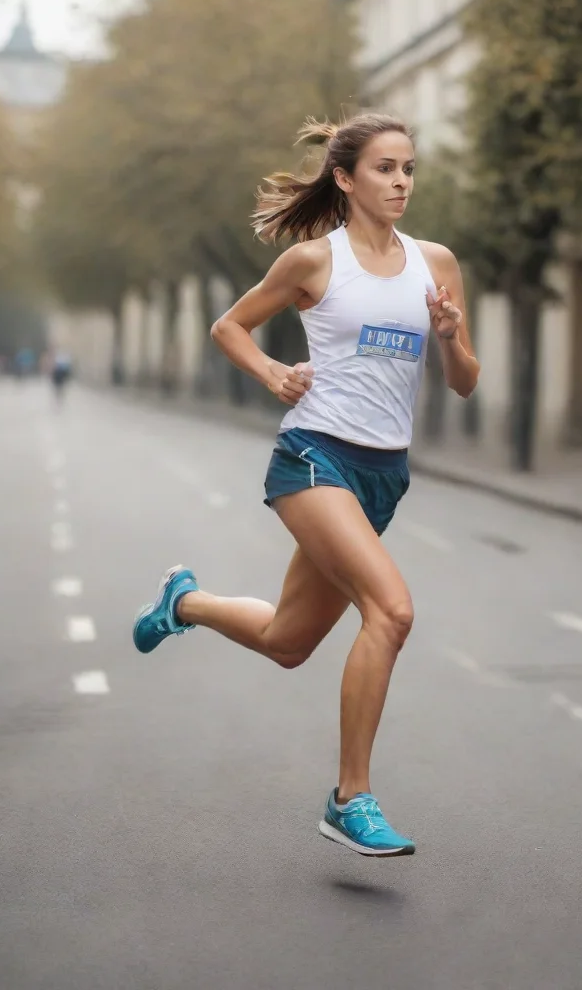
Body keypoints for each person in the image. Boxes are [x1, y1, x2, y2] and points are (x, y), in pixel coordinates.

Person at [132, 113, 480, 857]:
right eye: (385, 169)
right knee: (392, 611)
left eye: (409, 169)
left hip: (384, 475)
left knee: (289, 641)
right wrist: (273, 374)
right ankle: (350, 798)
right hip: (314, 457)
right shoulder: (314, 263)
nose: (400, 183)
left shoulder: (436, 264)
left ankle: (183, 601)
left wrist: (450, 339)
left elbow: (465, 383)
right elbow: (230, 325)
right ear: (347, 179)